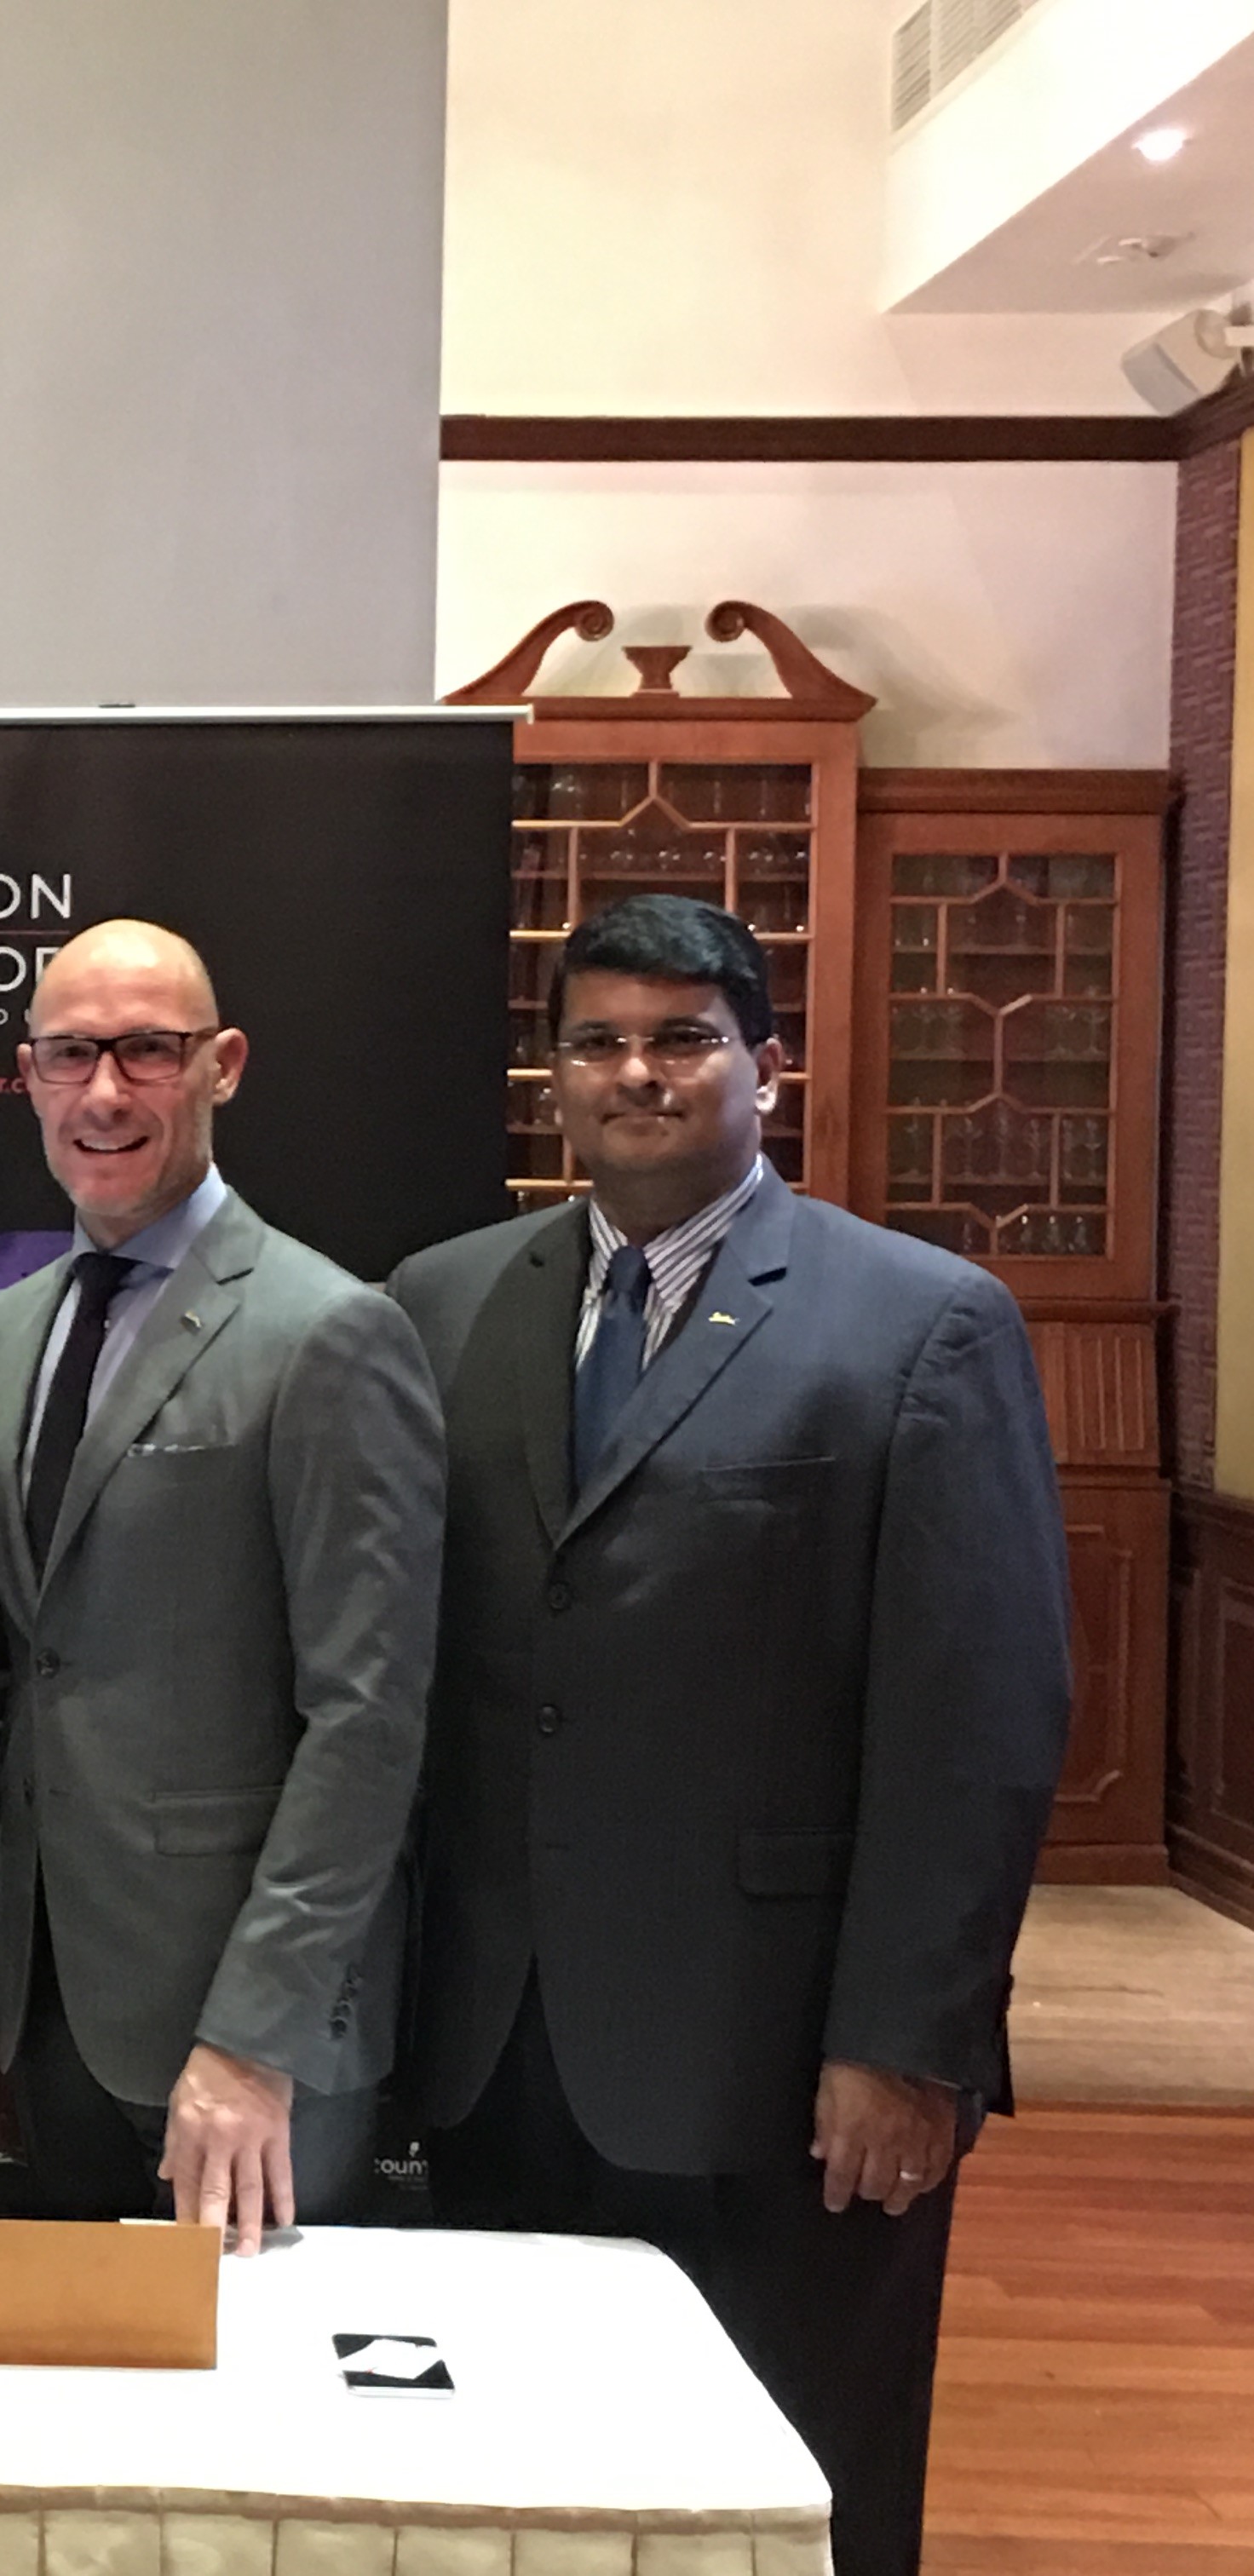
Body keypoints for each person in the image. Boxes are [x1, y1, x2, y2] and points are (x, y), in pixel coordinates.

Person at [384, 894, 1067, 2576]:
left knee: (785, 2493)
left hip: (777, 2061)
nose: (638, 1074)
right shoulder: (441, 1304)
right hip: (493, 2044)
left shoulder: (919, 1321)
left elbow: (978, 1718)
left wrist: (907, 2042)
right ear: (554, 1076)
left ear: (768, 1064)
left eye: (683, 1040)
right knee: (506, 2488)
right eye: (598, 1042)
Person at [0, 919, 440, 2249]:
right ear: (30, 1077)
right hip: (47, 2013)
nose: (105, 1092)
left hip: (240, 2046)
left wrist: (253, 2036)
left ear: (223, 1065)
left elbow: (368, 1719)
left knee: (254, 2378)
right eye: (71, 1055)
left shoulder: (330, 1331)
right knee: (61, 2373)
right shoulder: (6, 1332)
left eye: (148, 1052)